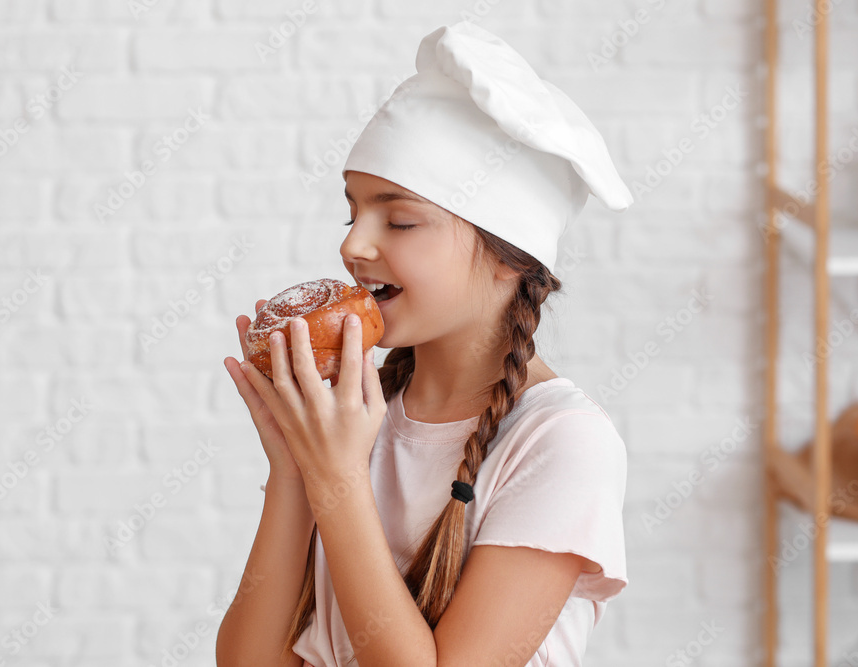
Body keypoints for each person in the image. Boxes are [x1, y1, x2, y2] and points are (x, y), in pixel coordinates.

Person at [217, 21, 633, 667]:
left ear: (507, 259)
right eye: (352, 212)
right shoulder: (359, 413)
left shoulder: (562, 443)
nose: (353, 245)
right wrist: (295, 471)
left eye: (400, 218)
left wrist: (337, 480)